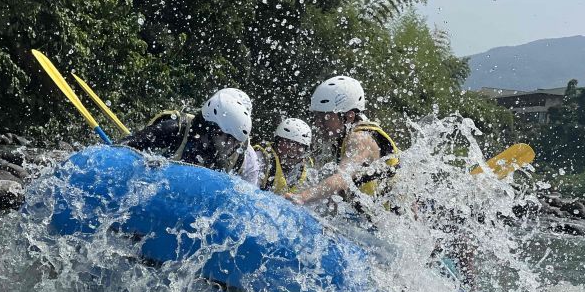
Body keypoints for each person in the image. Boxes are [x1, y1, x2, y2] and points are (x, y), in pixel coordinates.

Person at [283, 76, 400, 209]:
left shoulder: (360, 138)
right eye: (317, 116)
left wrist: (302, 197)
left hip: (392, 220)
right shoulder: (343, 138)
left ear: (349, 115)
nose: (318, 123)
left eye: (325, 116)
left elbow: (342, 179)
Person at [121, 88, 257, 182]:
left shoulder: (240, 157)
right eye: (225, 136)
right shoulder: (174, 129)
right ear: (209, 127)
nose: (229, 145)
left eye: (234, 141)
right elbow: (123, 148)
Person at [254, 118, 313, 194]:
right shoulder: (261, 158)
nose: (293, 150)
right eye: (288, 142)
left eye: (299, 145)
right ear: (277, 142)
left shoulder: (308, 168)